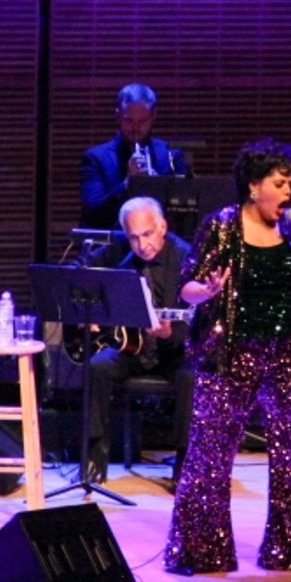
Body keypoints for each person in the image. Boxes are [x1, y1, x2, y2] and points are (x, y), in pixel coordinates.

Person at [164, 137, 291, 576]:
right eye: (280, 183)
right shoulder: (221, 226)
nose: (288, 192)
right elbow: (187, 287)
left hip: (286, 355)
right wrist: (209, 290)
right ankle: (201, 553)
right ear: (255, 186)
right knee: (211, 455)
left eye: (290, 183)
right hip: (229, 355)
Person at [81, 196, 193, 483]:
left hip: (174, 352)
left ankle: (184, 463)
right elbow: (80, 276)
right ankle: (96, 455)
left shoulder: (186, 258)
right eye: (134, 238)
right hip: (133, 349)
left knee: (191, 377)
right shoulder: (120, 254)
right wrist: (90, 311)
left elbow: (198, 319)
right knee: (98, 366)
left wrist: (171, 333)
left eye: (147, 234)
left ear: (163, 227)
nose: (142, 245)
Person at [79, 82, 190, 230]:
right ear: (118, 116)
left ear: (153, 116)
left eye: (142, 121)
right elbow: (91, 213)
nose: (136, 127)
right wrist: (127, 184)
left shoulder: (172, 155)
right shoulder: (95, 158)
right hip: (113, 247)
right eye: (129, 120)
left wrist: (156, 184)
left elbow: (187, 210)